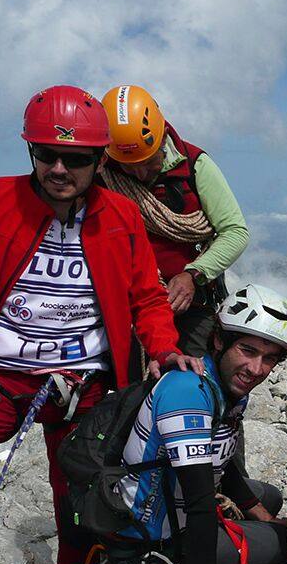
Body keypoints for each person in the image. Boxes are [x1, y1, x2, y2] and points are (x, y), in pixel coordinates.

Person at [0, 85, 197, 564]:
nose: (59, 169)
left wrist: (164, 347)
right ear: (31, 151)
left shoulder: (119, 217)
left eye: (74, 159)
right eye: (47, 154)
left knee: (83, 487)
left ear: (99, 160)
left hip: (83, 386)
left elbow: (146, 295)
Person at [106, 284, 287, 564]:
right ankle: (169, 559)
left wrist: (263, 517)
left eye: (270, 358)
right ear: (219, 341)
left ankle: (257, 523)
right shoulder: (189, 393)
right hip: (154, 533)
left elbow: (221, 468)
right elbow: (198, 502)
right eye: (248, 350)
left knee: (268, 499)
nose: (256, 369)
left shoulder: (222, 385)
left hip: (175, 497)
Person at [100, 85, 250, 361]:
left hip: (192, 304)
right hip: (126, 304)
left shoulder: (194, 165)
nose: (140, 173)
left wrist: (193, 274)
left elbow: (235, 231)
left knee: (192, 375)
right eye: (129, 166)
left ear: (162, 138)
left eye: (147, 161)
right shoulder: (103, 172)